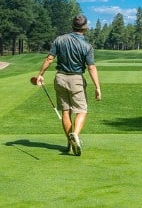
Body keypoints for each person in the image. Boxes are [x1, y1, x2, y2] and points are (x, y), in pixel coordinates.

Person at [36, 15, 101, 156]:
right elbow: (91, 68)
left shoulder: (59, 39)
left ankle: (70, 142)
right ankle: (75, 136)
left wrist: (40, 74)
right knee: (82, 110)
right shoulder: (87, 46)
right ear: (85, 27)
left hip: (60, 78)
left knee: (66, 112)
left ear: (72, 25)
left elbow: (49, 58)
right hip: (76, 79)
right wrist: (97, 87)